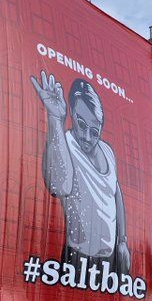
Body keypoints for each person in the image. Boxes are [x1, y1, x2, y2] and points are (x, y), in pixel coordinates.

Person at [31, 71, 130, 276]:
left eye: (94, 131)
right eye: (81, 124)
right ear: (72, 115)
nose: (87, 136)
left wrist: (122, 241)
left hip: (110, 259)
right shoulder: (64, 143)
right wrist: (55, 119)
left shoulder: (107, 151)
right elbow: (60, 185)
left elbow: (115, 193)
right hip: (78, 257)